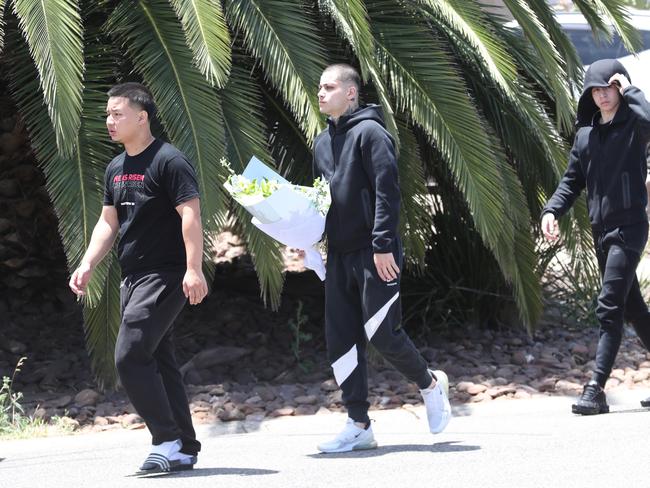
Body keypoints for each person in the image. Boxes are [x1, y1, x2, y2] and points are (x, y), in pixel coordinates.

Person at [69, 82, 208, 473]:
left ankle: (165, 439)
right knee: (159, 361)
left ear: (142, 117)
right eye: (107, 115)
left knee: (129, 356)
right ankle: (184, 447)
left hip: (165, 275)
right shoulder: (116, 167)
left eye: (117, 114)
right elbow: (108, 222)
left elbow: (191, 215)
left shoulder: (169, 161)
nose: (109, 121)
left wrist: (194, 268)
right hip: (132, 277)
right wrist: (88, 263)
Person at [312, 64, 451, 453]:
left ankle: (430, 384)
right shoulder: (322, 143)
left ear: (351, 93)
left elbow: (388, 192)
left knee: (383, 333)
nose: (320, 93)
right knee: (340, 338)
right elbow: (318, 200)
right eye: (319, 87)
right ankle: (358, 423)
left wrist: (383, 244)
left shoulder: (372, 134)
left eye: (329, 87)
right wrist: (310, 243)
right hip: (338, 255)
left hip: (376, 252)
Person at [541, 59, 650, 415]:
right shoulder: (586, 135)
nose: (602, 95)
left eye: (609, 87)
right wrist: (550, 211)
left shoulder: (633, 125)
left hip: (630, 227)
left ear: (619, 88)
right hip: (601, 232)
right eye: (596, 90)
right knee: (633, 307)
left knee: (609, 306)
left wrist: (631, 89)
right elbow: (572, 181)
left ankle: (595, 389)